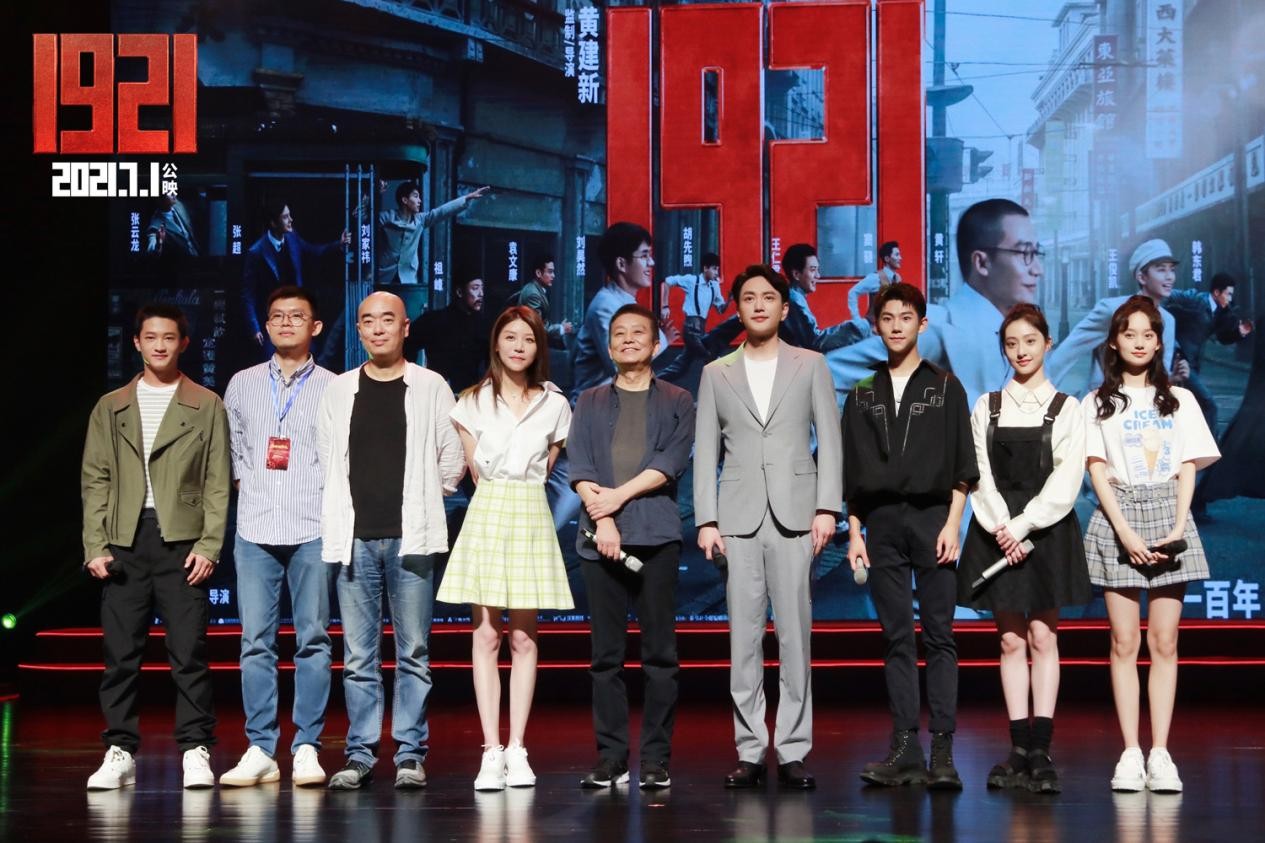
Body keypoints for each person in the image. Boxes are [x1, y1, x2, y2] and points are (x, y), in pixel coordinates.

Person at [693, 264, 842, 791]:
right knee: (744, 640)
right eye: (749, 298)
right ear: (737, 308)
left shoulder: (811, 364)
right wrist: (707, 519)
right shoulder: (717, 372)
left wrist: (827, 508)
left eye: (768, 297)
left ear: (784, 307)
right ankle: (751, 749)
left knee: (796, 638)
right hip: (737, 518)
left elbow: (830, 439)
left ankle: (794, 749)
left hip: (797, 514)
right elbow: (706, 451)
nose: (758, 305)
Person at [317, 291, 466, 791]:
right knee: (359, 657)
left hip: (411, 540)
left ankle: (410, 754)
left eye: (388, 320)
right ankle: (360, 754)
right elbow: (325, 455)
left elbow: (452, 456)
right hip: (354, 539)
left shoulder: (430, 385)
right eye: (368, 321)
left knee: (413, 652)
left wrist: (426, 497)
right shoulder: (339, 389)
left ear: (405, 328)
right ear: (359, 330)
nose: (378, 328)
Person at [82, 304, 230, 791]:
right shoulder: (111, 405)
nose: (160, 345)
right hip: (124, 541)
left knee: (188, 653)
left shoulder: (206, 403)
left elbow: (217, 481)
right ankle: (120, 750)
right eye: (151, 337)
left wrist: (209, 544)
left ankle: (195, 749)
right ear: (137, 343)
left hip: (181, 541)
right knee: (121, 654)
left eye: (169, 337)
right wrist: (95, 543)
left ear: (183, 343)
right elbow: (95, 478)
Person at [1081, 296, 1220, 794]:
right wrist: (1124, 530)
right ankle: (1130, 752)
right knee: (1124, 642)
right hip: (1119, 517)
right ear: (1114, 342)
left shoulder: (1179, 399)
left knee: (1164, 642)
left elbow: (1187, 465)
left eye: (1148, 334)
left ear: (1159, 342)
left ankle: (1160, 752)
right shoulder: (1096, 401)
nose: (1139, 342)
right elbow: (1096, 468)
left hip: (1168, 516)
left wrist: (1180, 525)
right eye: (1129, 333)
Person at [842, 283, 977, 791]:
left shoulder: (946, 386)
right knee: (896, 636)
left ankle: (942, 749)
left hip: (933, 520)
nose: (896, 326)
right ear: (876, 325)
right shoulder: (862, 391)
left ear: (922, 324)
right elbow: (853, 472)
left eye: (905, 317)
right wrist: (855, 533)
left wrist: (952, 524)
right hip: (880, 525)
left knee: (940, 635)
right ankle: (904, 749)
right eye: (887, 318)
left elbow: (964, 464)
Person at [435, 306, 574, 791]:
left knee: (525, 638)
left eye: (528, 339)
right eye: (511, 337)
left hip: (530, 509)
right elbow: (474, 471)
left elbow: (548, 465)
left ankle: (518, 748)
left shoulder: (555, 404)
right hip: (490, 508)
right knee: (486, 635)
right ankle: (490, 750)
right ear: (496, 343)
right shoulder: (471, 401)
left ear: (539, 347)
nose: (519, 346)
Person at [957, 304, 1091, 794]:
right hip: (996, 528)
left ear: (1047, 344)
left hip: (1045, 529)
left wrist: (1025, 525)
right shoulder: (987, 405)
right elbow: (977, 473)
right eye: (1011, 344)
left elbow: (1067, 478)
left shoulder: (1068, 407)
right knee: (1010, 641)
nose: (1021, 351)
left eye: (1030, 341)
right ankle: (1017, 747)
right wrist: (1003, 528)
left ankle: (1041, 749)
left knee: (1043, 637)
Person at [568, 304, 695, 790]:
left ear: (656, 344)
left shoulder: (679, 399)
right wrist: (602, 517)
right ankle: (612, 758)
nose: (627, 339)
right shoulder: (590, 400)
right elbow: (580, 465)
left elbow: (670, 462)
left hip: (656, 538)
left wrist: (615, 500)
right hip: (598, 539)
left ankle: (657, 760)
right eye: (618, 333)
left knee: (660, 656)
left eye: (637, 332)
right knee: (606, 657)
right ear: (608, 345)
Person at [219, 286, 337, 788]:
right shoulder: (242, 384)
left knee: (313, 640)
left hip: (313, 527)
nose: (286, 323)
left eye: (297, 316)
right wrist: (251, 486)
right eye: (277, 316)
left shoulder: (335, 387)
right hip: (255, 529)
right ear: (266, 326)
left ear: (316, 327)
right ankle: (261, 748)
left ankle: (307, 746)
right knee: (255, 643)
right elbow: (232, 452)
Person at [828, 199, 1043, 406]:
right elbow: (830, 374)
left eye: (1036, 253)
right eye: (1024, 253)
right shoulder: (936, 328)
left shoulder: (1012, 332)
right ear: (981, 263)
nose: (1037, 269)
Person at [1047, 239, 1181, 396]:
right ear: (1142, 277)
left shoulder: (1168, 321)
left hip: (1141, 404)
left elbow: (1160, 372)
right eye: (1161, 270)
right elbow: (1069, 350)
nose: (1170, 277)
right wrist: (1042, 393)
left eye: (1172, 270)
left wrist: (1171, 378)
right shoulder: (1112, 310)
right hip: (1102, 402)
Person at [572, 222, 670, 398]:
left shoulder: (626, 304)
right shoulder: (604, 306)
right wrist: (663, 340)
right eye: (644, 256)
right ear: (621, 264)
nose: (651, 263)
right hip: (595, 407)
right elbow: (620, 366)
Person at [242, 200, 350, 352]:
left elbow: (313, 251)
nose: (291, 220)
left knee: (306, 354)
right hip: (271, 320)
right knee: (273, 358)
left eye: (290, 215)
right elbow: (249, 295)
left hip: (295, 313)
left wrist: (338, 244)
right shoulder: (257, 252)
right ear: (273, 223)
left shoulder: (292, 238)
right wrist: (255, 328)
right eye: (285, 217)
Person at [1164, 271, 1254, 433]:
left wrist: (1238, 333)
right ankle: (1213, 445)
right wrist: (1165, 328)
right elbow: (1168, 295)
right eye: (1228, 294)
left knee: (1185, 408)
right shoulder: (1196, 299)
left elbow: (1222, 338)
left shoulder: (1221, 311)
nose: (1230, 299)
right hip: (1179, 361)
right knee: (1209, 404)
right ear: (1217, 292)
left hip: (1193, 364)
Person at [376, 182, 489, 286]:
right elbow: (367, 223)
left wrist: (467, 198)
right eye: (416, 196)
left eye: (419, 197)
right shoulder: (386, 217)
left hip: (408, 279)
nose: (419, 201)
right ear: (405, 200)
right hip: (384, 276)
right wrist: (376, 192)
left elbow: (441, 212)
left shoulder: (420, 220)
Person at [405, 276, 491, 393]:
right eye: (475, 288)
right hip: (435, 392)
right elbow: (407, 345)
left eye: (482, 288)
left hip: (472, 394)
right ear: (459, 292)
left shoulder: (484, 325)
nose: (481, 294)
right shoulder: (434, 320)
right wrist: (415, 380)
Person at [657, 252, 726, 381]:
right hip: (690, 329)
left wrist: (730, 300)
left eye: (718, 269)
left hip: (701, 329)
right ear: (705, 268)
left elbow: (721, 309)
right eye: (714, 269)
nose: (717, 273)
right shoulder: (692, 280)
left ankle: (654, 382)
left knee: (680, 367)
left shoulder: (714, 286)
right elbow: (667, 282)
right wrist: (665, 306)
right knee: (710, 356)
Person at [514, 255, 574, 348]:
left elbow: (543, 322)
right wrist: (561, 328)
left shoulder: (537, 289)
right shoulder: (533, 294)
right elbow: (538, 327)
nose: (553, 275)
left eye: (553, 272)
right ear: (538, 273)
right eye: (550, 272)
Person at [848, 240, 902, 323]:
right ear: (887, 259)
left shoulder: (897, 278)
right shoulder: (875, 277)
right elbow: (853, 292)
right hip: (874, 327)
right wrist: (856, 319)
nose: (900, 258)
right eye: (897, 255)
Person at [145, 192, 199, 258]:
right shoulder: (155, 225)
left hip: (197, 252)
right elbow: (152, 248)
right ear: (159, 199)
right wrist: (159, 243)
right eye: (169, 193)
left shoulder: (178, 205)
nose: (174, 194)